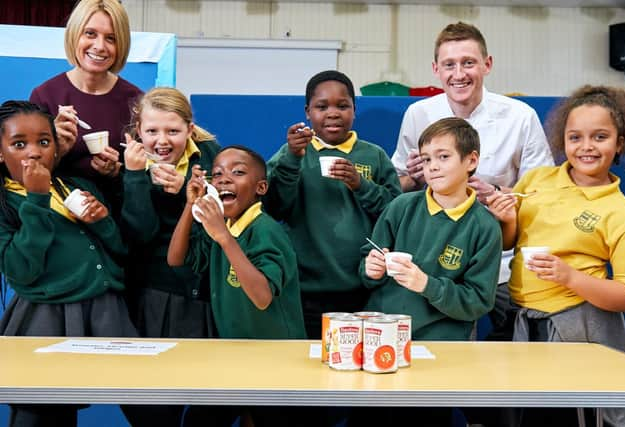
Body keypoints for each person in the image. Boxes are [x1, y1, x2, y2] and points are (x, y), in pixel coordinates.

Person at [391, 21, 554, 342]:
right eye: (449, 65)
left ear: (487, 65)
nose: (459, 74)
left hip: (505, 261)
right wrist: (413, 175)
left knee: (517, 356)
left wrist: (494, 193)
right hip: (439, 261)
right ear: (436, 69)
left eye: (468, 63)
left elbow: (543, 192)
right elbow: (399, 182)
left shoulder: (520, 116)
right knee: (450, 358)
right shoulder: (418, 113)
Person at [488, 85, 625, 427]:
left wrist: (570, 277)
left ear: (620, 143)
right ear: (562, 140)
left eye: (600, 137)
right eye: (575, 137)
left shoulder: (623, 215)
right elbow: (509, 242)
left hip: (578, 329)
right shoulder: (537, 179)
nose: (586, 147)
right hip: (523, 322)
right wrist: (507, 220)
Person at [0, 101, 137, 426]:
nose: (34, 153)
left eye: (44, 142)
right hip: (46, 317)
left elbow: (119, 251)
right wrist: (36, 198)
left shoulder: (77, 187)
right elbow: (22, 270)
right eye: (19, 144)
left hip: (105, 310)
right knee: (41, 410)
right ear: (1, 153)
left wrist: (103, 221)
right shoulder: (8, 202)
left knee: (146, 396)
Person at [359, 117, 502, 426]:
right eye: (426, 159)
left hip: (437, 354)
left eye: (443, 156)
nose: (433, 166)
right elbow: (368, 258)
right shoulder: (401, 207)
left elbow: (478, 300)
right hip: (380, 344)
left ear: (471, 160)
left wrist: (426, 284)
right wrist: (370, 269)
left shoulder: (484, 226)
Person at [167, 145, 306, 426]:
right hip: (235, 357)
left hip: (278, 360)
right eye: (217, 174)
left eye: (238, 172)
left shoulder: (265, 230)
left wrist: (224, 238)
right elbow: (175, 258)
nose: (224, 179)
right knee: (199, 419)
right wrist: (189, 205)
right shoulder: (222, 227)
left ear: (261, 187)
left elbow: (262, 297)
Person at [263, 70, 402, 340]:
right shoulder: (292, 152)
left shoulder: (373, 155)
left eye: (342, 105)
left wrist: (361, 185)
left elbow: (395, 213)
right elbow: (274, 207)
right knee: (309, 367)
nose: (333, 113)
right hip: (304, 290)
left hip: (364, 288)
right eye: (321, 106)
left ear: (354, 109)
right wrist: (292, 158)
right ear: (307, 112)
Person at [119, 87, 221, 426]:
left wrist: (189, 193)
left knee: (213, 396)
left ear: (190, 130)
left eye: (173, 131)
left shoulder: (209, 156)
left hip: (206, 293)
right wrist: (135, 178)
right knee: (149, 401)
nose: (162, 141)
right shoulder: (131, 162)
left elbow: (228, 219)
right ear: (138, 132)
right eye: (152, 131)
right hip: (154, 292)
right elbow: (139, 234)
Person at [29, 0, 142, 210]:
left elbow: (146, 177)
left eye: (111, 38)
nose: (99, 46)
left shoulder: (136, 101)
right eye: (90, 33)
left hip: (115, 216)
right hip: (59, 215)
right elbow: (27, 171)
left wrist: (117, 172)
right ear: (74, 35)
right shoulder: (45, 95)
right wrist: (57, 150)